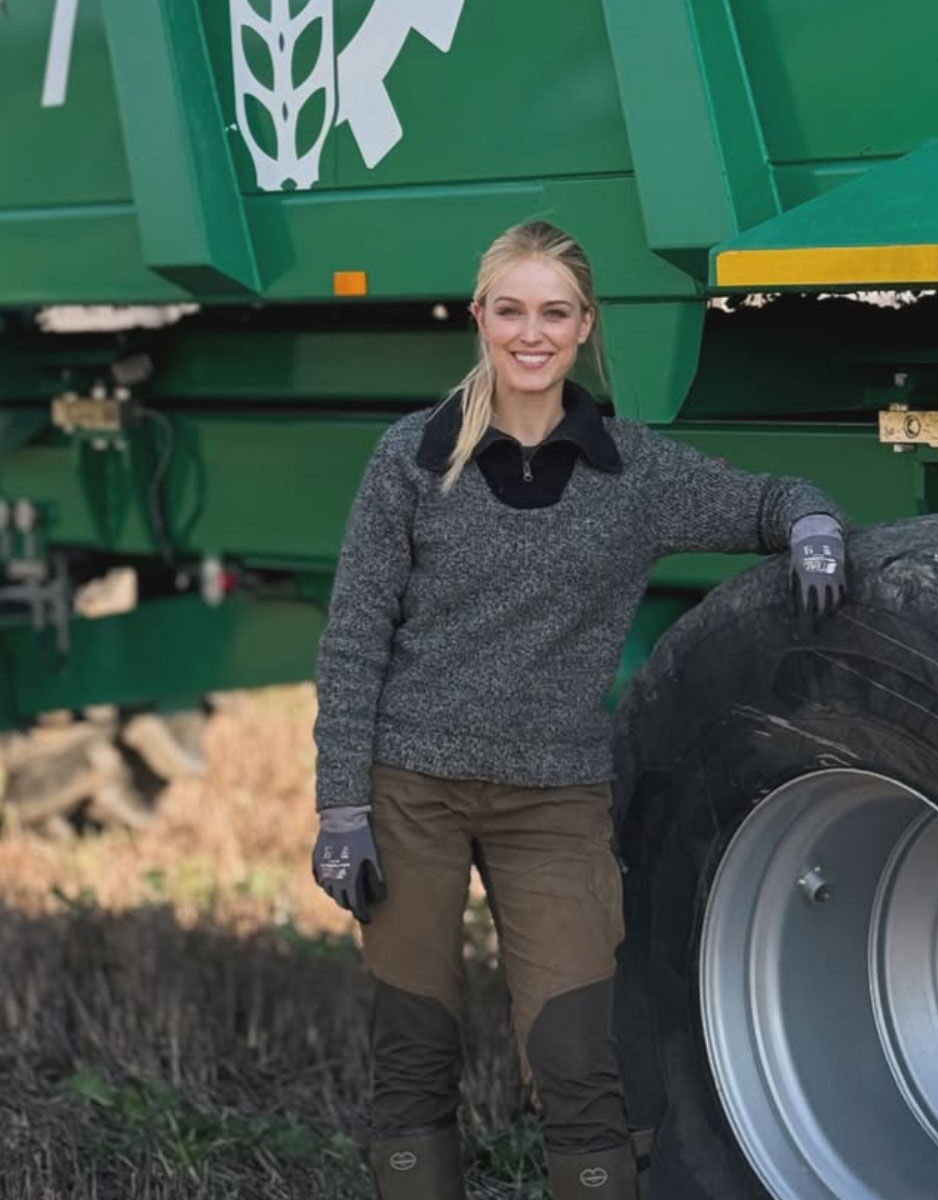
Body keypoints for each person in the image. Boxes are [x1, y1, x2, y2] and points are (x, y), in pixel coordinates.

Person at [310, 220, 847, 1200]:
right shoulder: (408, 461)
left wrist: (811, 523)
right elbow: (352, 640)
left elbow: (768, 498)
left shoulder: (633, 475)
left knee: (576, 1064)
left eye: (553, 312)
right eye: (509, 309)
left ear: (585, 325)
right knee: (413, 1054)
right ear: (478, 318)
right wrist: (341, 808)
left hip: (552, 805)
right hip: (411, 798)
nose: (530, 332)